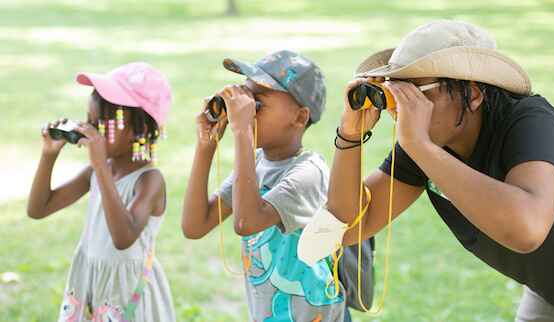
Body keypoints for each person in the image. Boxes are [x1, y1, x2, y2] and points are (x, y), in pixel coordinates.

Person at [327, 20, 554, 321]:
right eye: (394, 93)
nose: (400, 110)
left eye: (416, 93)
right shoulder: (428, 144)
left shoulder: (531, 124)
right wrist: (350, 136)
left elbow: (527, 229)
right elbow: (346, 228)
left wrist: (420, 147)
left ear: (472, 94)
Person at [181, 50, 349, 321]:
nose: (246, 111)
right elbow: (195, 225)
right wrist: (206, 146)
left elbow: (246, 222)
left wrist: (242, 132)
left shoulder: (309, 173)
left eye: (256, 103)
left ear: (300, 117)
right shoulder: (256, 165)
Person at [27, 62, 176, 322]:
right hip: (90, 282)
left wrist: (99, 167)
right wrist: (48, 155)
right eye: (90, 121)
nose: (91, 130)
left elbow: (123, 237)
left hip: (126, 293)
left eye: (103, 123)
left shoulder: (150, 181)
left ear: (139, 129)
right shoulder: (96, 172)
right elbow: (38, 209)